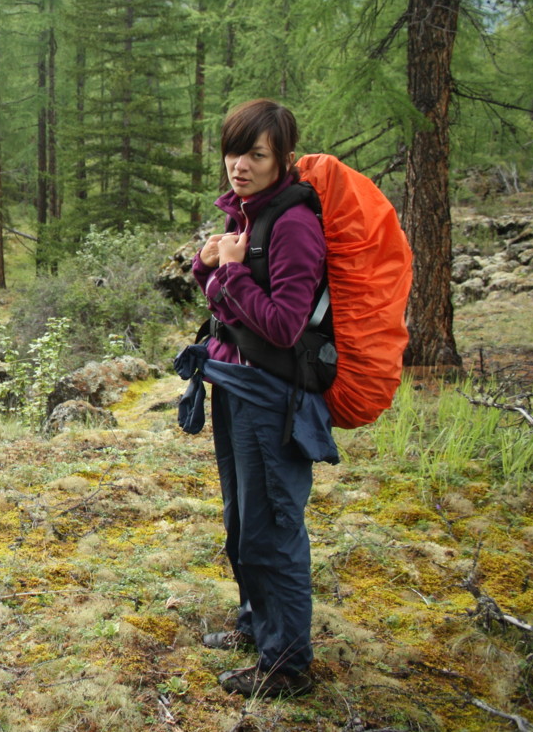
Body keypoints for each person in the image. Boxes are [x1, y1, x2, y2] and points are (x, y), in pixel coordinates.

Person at [186, 98, 336, 699]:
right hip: (234, 383)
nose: (240, 165)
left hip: (274, 398)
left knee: (272, 526)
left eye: (256, 155)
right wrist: (209, 268)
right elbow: (229, 307)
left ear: (283, 160)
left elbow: (283, 325)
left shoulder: (293, 224)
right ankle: (255, 624)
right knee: (241, 520)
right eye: (234, 151)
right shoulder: (246, 216)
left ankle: (287, 666)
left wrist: (230, 271)